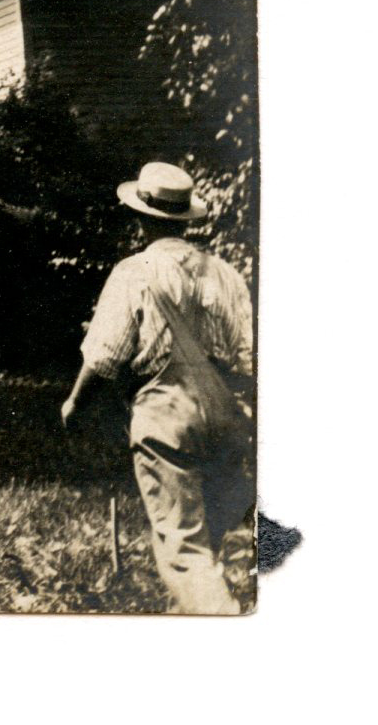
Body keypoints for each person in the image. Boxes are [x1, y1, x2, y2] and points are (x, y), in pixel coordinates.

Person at [60, 161, 255, 614]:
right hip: (228, 418)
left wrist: (75, 406)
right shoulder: (226, 274)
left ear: (141, 218)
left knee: (184, 552)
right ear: (186, 218)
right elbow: (247, 359)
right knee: (208, 540)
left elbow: (104, 357)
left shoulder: (133, 273)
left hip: (167, 424)